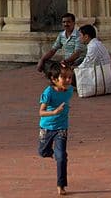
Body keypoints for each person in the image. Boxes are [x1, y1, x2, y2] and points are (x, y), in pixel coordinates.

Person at [38, 62, 74, 196]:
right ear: (54, 79)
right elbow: (41, 112)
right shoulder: (48, 92)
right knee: (42, 152)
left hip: (61, 128)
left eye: (70, 78)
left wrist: (66, 65)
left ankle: (61, 185)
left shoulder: (69, 90)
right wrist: (55, 112)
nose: (68, 81)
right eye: (64, 78)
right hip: (46, 127)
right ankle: (54, 153)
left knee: (61, 157)